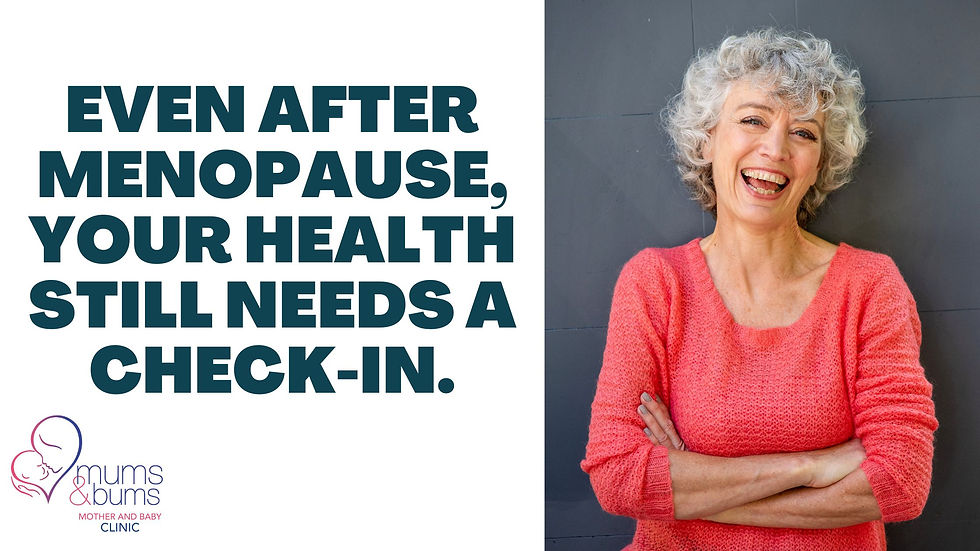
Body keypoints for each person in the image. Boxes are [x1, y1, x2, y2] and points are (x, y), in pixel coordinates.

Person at [580, 28, 937, 550]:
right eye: (752, 120)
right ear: (708, 138)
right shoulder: (655, 283)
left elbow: (901, 482)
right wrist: (812, 465)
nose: (774, 148)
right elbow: (617, 475)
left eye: (804, 133)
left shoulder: (869, 286)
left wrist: (688, 482)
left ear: (821, 162)